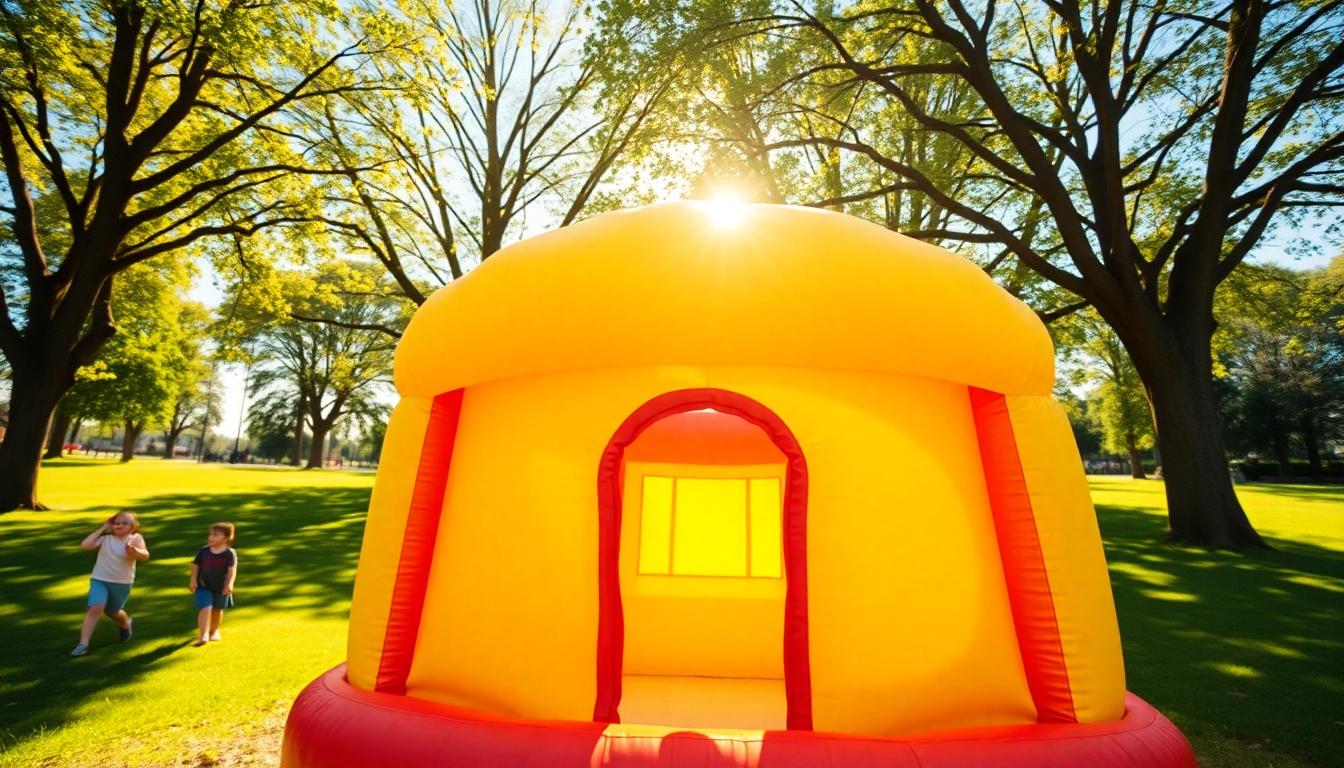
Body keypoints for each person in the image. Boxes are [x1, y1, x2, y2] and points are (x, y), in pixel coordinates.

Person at [71, 511, 149, 657]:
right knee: (96, 608)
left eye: (125, 523)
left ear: (133, 527)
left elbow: (145, 556)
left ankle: (125, 623)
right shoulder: (106, 539)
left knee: (112, 611)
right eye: (116, 522)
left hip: (122, 582)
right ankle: (83, 644)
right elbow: (85, 546)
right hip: (100, 579)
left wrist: (134, 551)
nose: (119, 525)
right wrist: (102, 528)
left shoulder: (135, 538)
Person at [189, 522, 237, 646]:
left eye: (215, 535)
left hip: (221, 586)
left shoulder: (229, 553)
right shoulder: (203, 551)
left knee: (216, 610)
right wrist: (193, 579)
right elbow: (195, 565)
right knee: (205, 607)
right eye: (210, 534)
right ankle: (203, 634)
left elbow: (232, 570)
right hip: (203, 585)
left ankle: (214, 630)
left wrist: (230, 584)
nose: (211, 537)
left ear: (226, 538)